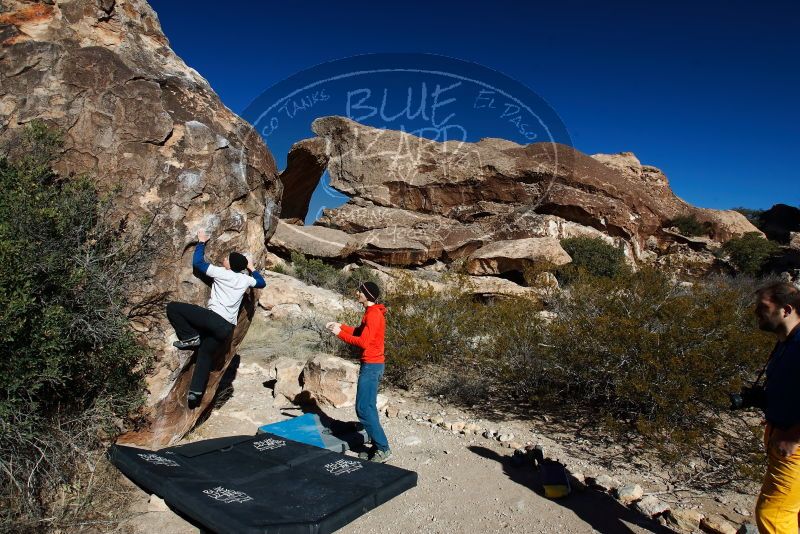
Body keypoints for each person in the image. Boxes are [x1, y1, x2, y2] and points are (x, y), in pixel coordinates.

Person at [166, 229, 266, 408]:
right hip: (227, 328)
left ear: (230, 264)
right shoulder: (244, 280)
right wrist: (252, 268)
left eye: (227, 258)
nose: (224, 259)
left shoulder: (222, 273)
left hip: (214, 319)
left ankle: (189, 337)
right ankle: (195, 394)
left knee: (173, 307)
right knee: (204, 355)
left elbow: (198, 263)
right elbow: (261, 282)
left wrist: (201, 242)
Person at [752, 282, 800, 534]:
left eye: (763, 307)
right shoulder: (785, 342)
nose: (756, 312)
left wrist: (793, 434)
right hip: (779, 434)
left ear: (786, 309)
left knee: (772, 514)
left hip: (793, 444)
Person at [326, 281, 391, 463]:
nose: (357, 293)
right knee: (368, 407)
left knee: (363, 408)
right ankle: (378, 446)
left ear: (367, 295)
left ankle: (384, 449)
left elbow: (363, 342)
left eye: (360, 291)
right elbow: (359, 332)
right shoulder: (371, 312)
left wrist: (339, 333)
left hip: (372, 366)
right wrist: (340, 326)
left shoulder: (373, 315)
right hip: (371, 364)